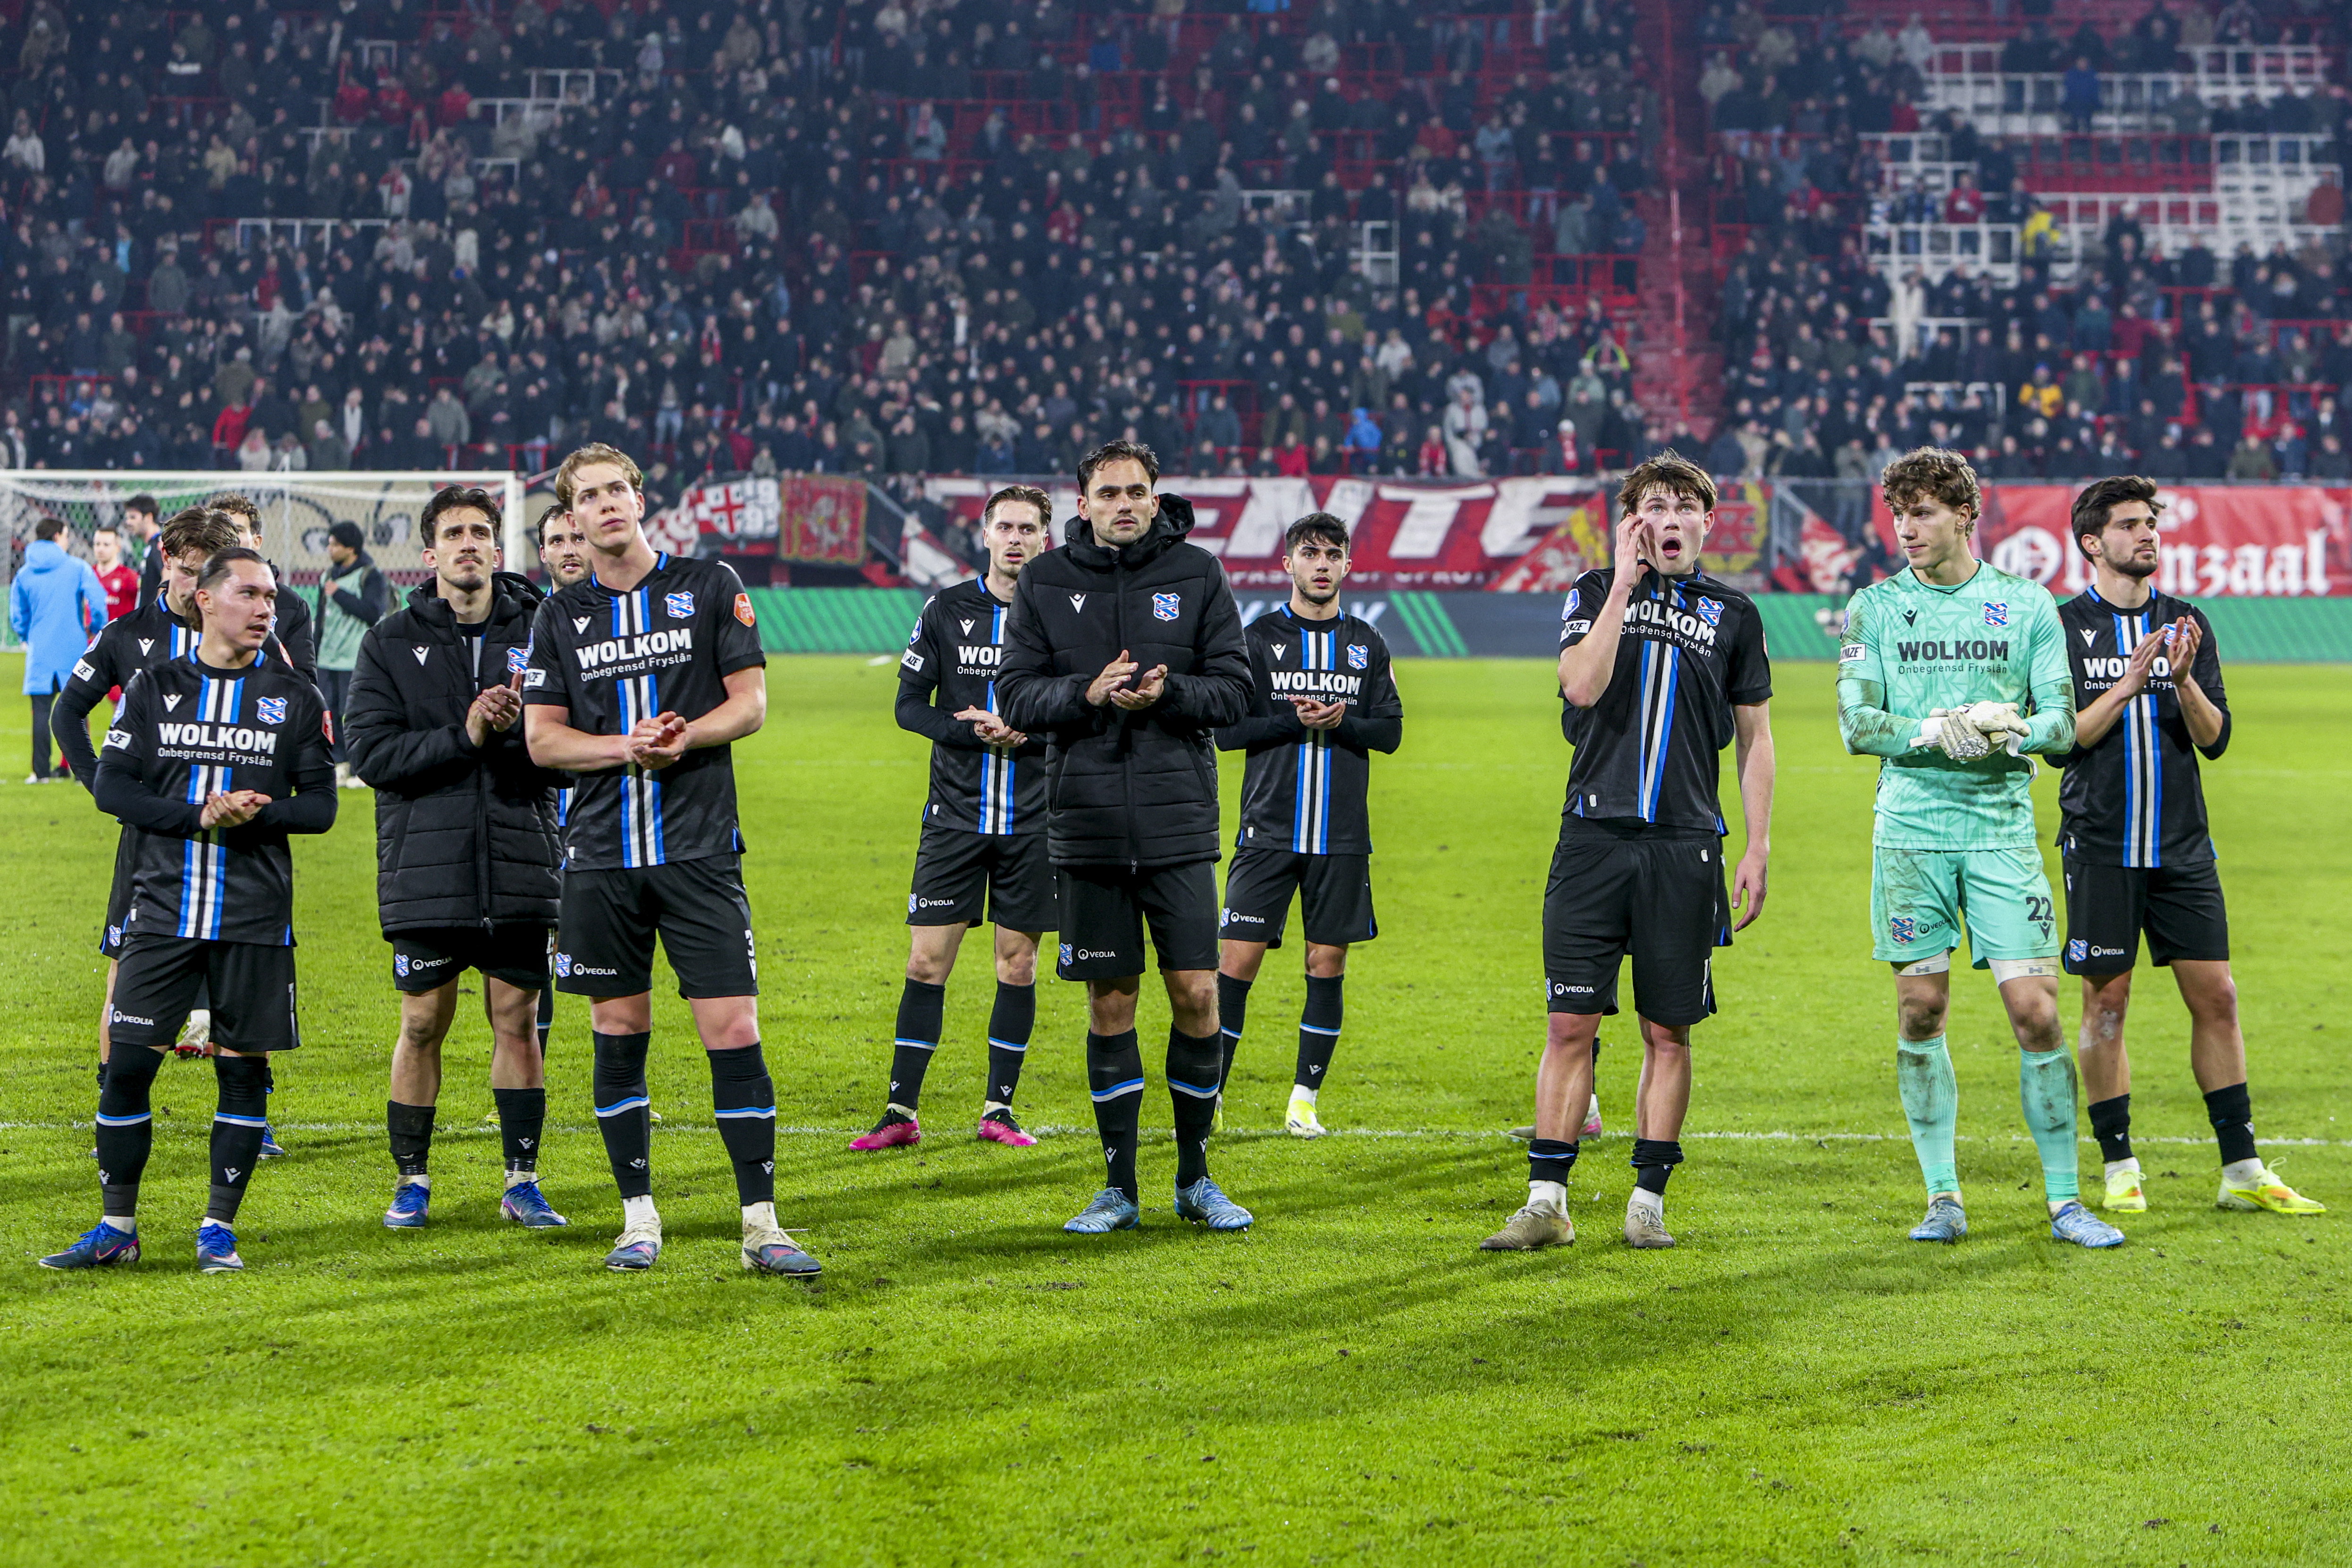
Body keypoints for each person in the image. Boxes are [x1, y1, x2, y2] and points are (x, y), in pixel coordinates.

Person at [522, 444, 818, 1278]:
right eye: (589, 495)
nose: (607, 503)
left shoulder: (709, 584)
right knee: (617, 1030)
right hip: (601, 859)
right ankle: (637, 1219)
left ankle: (761, 1224)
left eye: (618, 488)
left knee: (734, 1028)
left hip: (699, 850)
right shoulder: (558, 617)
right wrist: (629, 746)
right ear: (572, 518)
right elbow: (542, 739)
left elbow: (749, 703)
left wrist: (683, 738)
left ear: (641, 499)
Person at [1481, 452, 1775, 1253]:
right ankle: (1546, 1202)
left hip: (1685, 844)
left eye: (1684, 506)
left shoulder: (1734, 614)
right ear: (1631, 521)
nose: (1669, 518)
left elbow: (1754, 739)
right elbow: (1579, 686)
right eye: (1653, 506)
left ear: (1707, 522)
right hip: (1592, 838)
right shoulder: (1589, 592)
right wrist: (1620, 585)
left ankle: (1646, 1201)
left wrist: (1756, 845)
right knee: (1568, 1022)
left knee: (1667, 1031)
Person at [1836, 447, 2121, 1250]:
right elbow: (1856, 723)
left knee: (2035, 1012)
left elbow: (2060, 722)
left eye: (1922, 513)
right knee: (1919, 1009)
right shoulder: (1873, 607)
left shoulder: (2025, 605)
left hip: (1998, 830)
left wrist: (2009, 726)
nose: (1906, 529)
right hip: (1910, 831)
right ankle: (1941, 1196)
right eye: (1898, 514)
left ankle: (2064, 1201)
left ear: (1964, 515)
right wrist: (1932, 730)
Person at [40, 549, 335, 1272]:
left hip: (255, 914)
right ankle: (117, 1227)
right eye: (249, 593)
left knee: (242, 1073)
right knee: (125, 1068)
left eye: (271, 596)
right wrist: (198, 815)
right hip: (163, 906)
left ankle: (217, 1229)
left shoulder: (295, 696)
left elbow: (322, 806)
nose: (265, 608)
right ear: (205, 599)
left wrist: (258, 814)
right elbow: (115, 789)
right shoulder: (154, 686)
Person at [995, 440, 1256, 1234]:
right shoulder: (1045, 581)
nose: (1122, 504)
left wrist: (1167, 694)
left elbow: (1237, 692)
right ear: (1081, 504)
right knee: (1110, 1003)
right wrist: (1088, 692)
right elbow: (1014, 695)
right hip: (1088, 828)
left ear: (1154, 498)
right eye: (1107, 493)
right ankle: (1117, 1188)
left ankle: (1195, 1178)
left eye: (1135, 491)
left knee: (1198, 994)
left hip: (1178, 826)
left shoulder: (1198, 573)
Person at [2053, 477, 2320, 1216]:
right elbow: (2061, 741)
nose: (2146, 534)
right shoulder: (2061, 626)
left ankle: (2241, 1168)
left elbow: (2214, 738)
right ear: (2090, 542)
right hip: (2100, 845)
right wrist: (2126, 685)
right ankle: (2118, 1166)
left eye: (2150, 523)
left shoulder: (2185, 622)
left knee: (2217, 997)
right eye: (2128, 524)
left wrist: (2178, 681)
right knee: (2106, 1002)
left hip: (2181, 848)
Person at [345, 486, 568, 1231]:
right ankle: (411, 1180)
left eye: (479, 531)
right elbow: (370, 753)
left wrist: (519, 734)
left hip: (520, 859)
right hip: (425, 867)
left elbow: (575, 747)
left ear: (498, 551)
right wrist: (465, 734)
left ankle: (521, 1181)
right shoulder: (389, 638)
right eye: (453, 533)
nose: (467, 543)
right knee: (420, 1024)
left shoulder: (543, 630)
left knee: (518, 1019)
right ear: (430, 552)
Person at [851, 484, 1055, 1152]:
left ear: (1046, 539)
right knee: (924, 962)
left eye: (1028, 528)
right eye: (1006, 527)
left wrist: (1025, 734)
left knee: (1017, 964)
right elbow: (909, 705)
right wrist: (972, 732)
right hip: (955, 817)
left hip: (1032, 820)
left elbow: (1083, 711)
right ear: (985, 534)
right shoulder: (946, 609)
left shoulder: (1061, 615)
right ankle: (900, 1111)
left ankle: (1000, 1109)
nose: (1016, 539)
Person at [1211, 513, 1403, 1138]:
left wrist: (1341, 722)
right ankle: (1210, 1094)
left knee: (1326, 963)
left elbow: (1390, 733)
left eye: (1332, 554)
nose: (1321, 565)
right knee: (1234, 963)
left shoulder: (1367, 642)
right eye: (1309, 553)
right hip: (1267, 831)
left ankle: (1303, 1101)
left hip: (1340, 838)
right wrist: (1294, 721)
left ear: (1348, 564)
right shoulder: (1257, 638)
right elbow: (1227, 732)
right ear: (1287, 563)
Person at [51, 508, 243, 1104]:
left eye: (209, 574)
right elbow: (67, 712)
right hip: (151, 836)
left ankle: (249, 1114)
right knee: (126, 968)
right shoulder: (127, 634)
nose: (197, 587)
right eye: (187, 571)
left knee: (240, 977)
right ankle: (115, 1107)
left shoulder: (247, 634)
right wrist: (103, 787)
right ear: (165, 560)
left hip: (232, 836)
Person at [136, 493, 315, 681]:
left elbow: (303, 682)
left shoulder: (290, 606)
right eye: (219, 529)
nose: (228, 537)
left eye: (237, 530)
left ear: (256, 542)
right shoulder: (181, 600)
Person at [532, 501, 592, 1059]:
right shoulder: (526, 626)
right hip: (540, 808)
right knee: (534, 949)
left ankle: (622, 1078)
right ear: (542, 552)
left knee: (609, 957)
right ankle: (532, 1075)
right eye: (558, 540)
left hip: (604, 806)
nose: (569, 549)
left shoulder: (626, 618)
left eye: (578, 538)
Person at [11, 516, 110, 783]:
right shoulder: (77, 568)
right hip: (72, 648)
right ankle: (82, 771)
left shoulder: (24, 574)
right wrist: (94, 628)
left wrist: (28, 635)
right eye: (66, 536)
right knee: (77, 709)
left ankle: (40, 772)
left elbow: (18, 616)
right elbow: (98, 602)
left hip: (40, 650)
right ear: (57, 537)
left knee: (41, 713)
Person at [317, 520, 390, 789]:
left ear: (351, 548)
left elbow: (372, 612)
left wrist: (340, 594)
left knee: (354, 715)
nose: (330, 549)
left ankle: (360, 768)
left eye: (335, 544)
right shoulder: (327, 576)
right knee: (330, 714)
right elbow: (321, 619)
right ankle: (340, 764)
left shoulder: (371, 576)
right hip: (327, 658)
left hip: (353, 658)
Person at [91, 526, 139, 624]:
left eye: (106, 545)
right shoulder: (88, 574)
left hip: (120, 632)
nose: (101, 549)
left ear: (118, 548)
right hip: (93, 633)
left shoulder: (129, 577)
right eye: (97, 544)